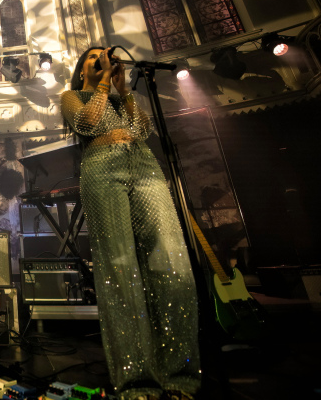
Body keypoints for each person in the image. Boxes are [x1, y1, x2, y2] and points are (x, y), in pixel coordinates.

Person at [60, 47, 201, 400]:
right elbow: (87, 123)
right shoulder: (72, 95)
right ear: (82, 71)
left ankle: (179, 374)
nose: (101, 59)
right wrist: (105, 84)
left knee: (170, 260)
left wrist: (125, 91)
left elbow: (141, 129)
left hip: (144, 166)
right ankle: (137, 381)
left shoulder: (127, 97)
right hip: (101, 169)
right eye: (93, 57)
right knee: (120, 266)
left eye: (104, 55)